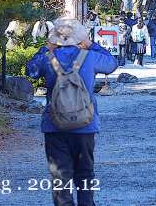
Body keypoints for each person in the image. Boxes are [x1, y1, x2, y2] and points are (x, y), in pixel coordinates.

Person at [26, 18, 117, 206]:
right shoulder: (89, 57)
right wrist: (91, 45)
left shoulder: (48, 58)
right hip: (85, 123)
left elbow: (31, 71)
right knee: (85, 174)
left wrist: (46, 48)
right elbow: (112, 63)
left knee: (60, 177)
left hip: (54, 124)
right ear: (79, 38)